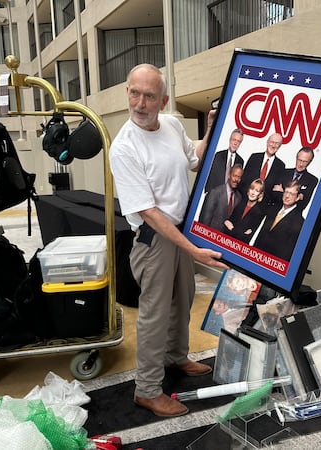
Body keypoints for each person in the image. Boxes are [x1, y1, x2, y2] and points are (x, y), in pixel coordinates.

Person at [109, 63, 228, 418]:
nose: (140, 103)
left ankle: (176, 358)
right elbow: (148, 212)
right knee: (155, 314)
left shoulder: (173, 125)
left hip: (180, 230)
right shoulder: (124, 147)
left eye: (149, 96)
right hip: (155, 238)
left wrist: (209, 130)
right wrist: (193, 249)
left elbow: (195, 161)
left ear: (163, 101)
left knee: (184, 299)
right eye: (134, 93)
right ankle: (146, 389)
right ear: (127, 92)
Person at [253, 180, 304, 262]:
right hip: (255, 256)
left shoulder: (299, 222)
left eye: (291, 194)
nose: (287, 196)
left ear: (298, 197)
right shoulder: (273, 209)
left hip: (272, 264)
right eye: (286, 192)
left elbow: (287, 252)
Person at [238, 133, 285, 207]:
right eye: (272, 142)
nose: (273, 145)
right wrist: (247, 198)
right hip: (244, 202)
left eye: (277, 143)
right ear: (267, 142)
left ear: (280, 146)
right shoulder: (254, 157)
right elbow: (243, 180)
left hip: (261, 208)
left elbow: (275, 190)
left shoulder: (281, 166)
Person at [271, 147, 318, 211]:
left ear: (310, 161)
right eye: (299, 160)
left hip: (292, 217)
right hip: (274, 211)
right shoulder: (283, 172)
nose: (301, 164)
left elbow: (302, 204)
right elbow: (274, 195)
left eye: (305, 162)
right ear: (296, 158)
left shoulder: (312, 180)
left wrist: (283, 191)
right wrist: (296, 196)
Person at [198, 164, 243, 231]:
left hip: (224, 238)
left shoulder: (239, 197)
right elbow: (205, 219)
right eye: (235, 176)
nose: (236, 179)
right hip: (210, 234)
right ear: (229, 175)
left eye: (239, 177)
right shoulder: (215, 192)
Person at [223, 178, 266, 244]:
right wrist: (227, 222)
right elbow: (228, 221)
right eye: (252, 189)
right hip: (226, 240)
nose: (253, 193)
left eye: (257, 191)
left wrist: (231, 228)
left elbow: (246, 236)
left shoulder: (259, 213)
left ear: (260, 194)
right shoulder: (240, 203)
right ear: (248, 190)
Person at [203, 129, 244, 194]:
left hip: (229, 196)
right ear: (230, 140)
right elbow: (212, 175)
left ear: (240, 143)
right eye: (234, 139)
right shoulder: (218, 155)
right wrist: (208, 192)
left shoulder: (240, 161)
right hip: (215, 193)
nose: (235, 143)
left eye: (238, 141)